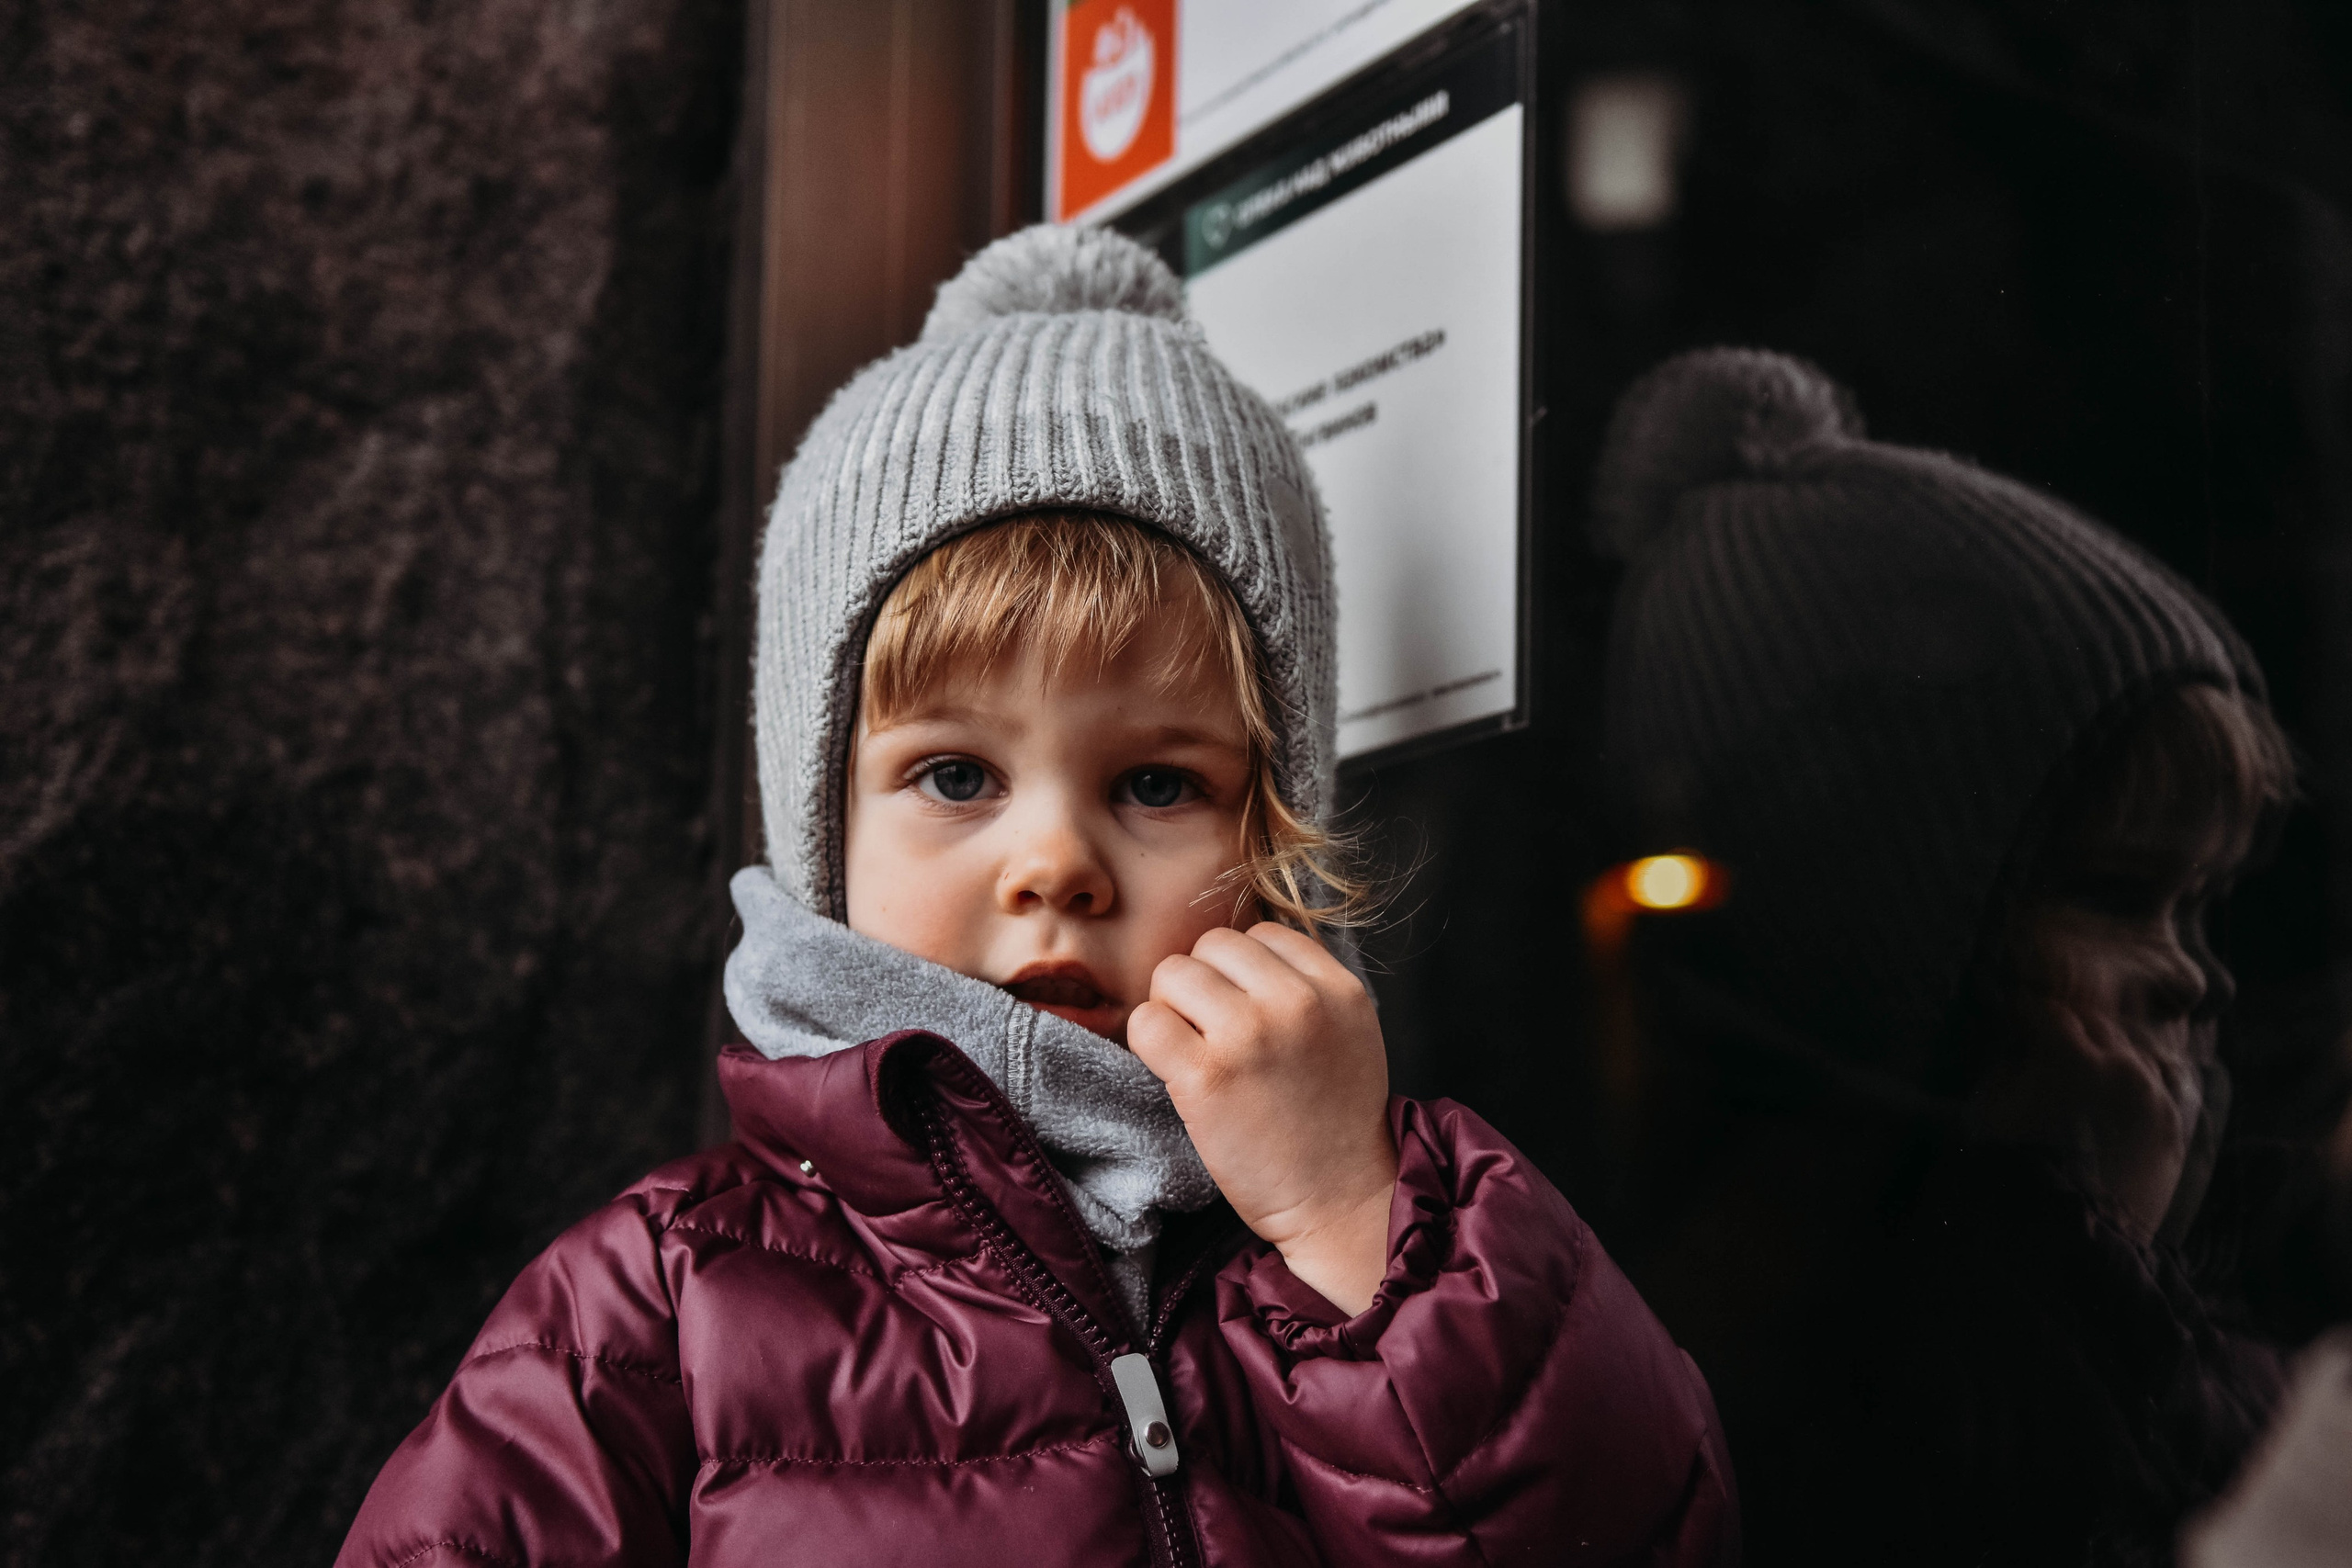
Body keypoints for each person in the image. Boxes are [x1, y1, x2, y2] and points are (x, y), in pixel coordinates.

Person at [334, 226, 1736, 1567]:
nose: (1055, 864)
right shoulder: (653, 1308)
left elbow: (1646, 1536)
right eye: (954, 776)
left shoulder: (1404, 1219)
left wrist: (1354, 1224)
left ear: (1274, 827)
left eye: (1156, 785)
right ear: (824, 828)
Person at [1587, 347, 2299, 1567]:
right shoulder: (1855, 1355)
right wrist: (2099, 1250)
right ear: (1896, 927)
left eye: (2201, 905)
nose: (2198, 979)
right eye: (2118, 894)